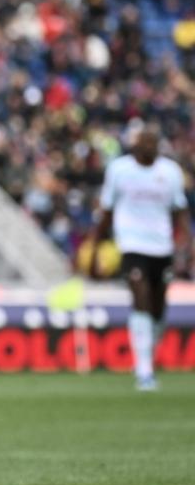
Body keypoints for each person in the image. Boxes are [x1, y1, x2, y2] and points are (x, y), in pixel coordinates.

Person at [90, 126, 189, 391]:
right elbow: (107, 211)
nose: (146, 148)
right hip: (132, 245)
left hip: (161, 247)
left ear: (157, 147)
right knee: (141, 299)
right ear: (133, 147)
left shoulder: (169, 172)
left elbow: (179, 211)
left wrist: (187, 245)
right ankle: (144, 371)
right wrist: (94, 249)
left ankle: (146, 358)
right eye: (142, 144)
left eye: (151, 144)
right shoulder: (119, 170)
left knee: (158, 309)